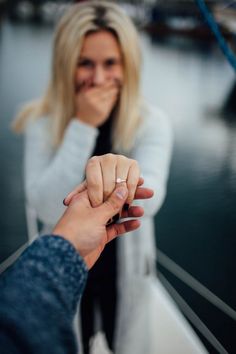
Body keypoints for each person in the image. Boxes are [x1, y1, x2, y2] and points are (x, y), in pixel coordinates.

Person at [12, 1, 173, 353]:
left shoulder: (151, 122)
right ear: (65, 64)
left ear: (128, 64)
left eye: (110, 63)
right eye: (85, 63)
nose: (98, 79)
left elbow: (153, 196)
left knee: (125, 340)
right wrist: (83, 125)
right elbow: (41, 205)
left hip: (125, 264)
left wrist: (127, 177)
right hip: (69, 257)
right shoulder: (42, 121)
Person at [0, 181, 154, 354]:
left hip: (107, 266)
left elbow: (150, 202)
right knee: (82, 334)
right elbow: (44, 207)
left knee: (117, 331)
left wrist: (66, 250)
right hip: (79, 262)